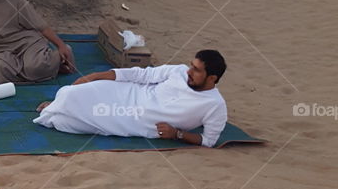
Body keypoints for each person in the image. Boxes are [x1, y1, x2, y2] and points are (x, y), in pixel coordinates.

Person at [35, 50, 228, 148]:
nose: (189, 71)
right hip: (127, 93)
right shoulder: (178, 71)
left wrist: (177, 134)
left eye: (196, 70)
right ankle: (57, 104)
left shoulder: (215, 105)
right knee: (71, 92)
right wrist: (95, 76)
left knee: (63, 123)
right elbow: (140, 75)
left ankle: (57, 109)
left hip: (131, 120)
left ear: (212, 78)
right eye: (191, 65)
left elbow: (208, 140)